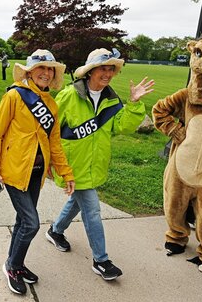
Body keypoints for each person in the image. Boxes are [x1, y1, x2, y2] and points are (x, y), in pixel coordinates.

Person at [46, 48, 154, 281]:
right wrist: (52, 162)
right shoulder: (68, 96)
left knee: (77, 201)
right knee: (92, 209)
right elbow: (51, 131)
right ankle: (101, 260)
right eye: (103, 69)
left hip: (96, 164)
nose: (107, 74)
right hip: (72, 165)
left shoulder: (111, 99)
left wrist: (134, 103)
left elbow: (121, 126)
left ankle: (55, 231)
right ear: (91, 71)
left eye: (110, 69)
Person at [0, 49, 75, 295]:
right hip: (13, 171)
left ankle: (17, 263)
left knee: (22, 220)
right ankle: (12, 266)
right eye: (41, 68)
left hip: (36, 172)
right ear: (30, 71)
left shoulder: (51, 105)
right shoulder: (14, 97)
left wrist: (66, 172)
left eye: (50, 69)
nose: (46, 73)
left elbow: (54, 143)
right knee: (32, 223)